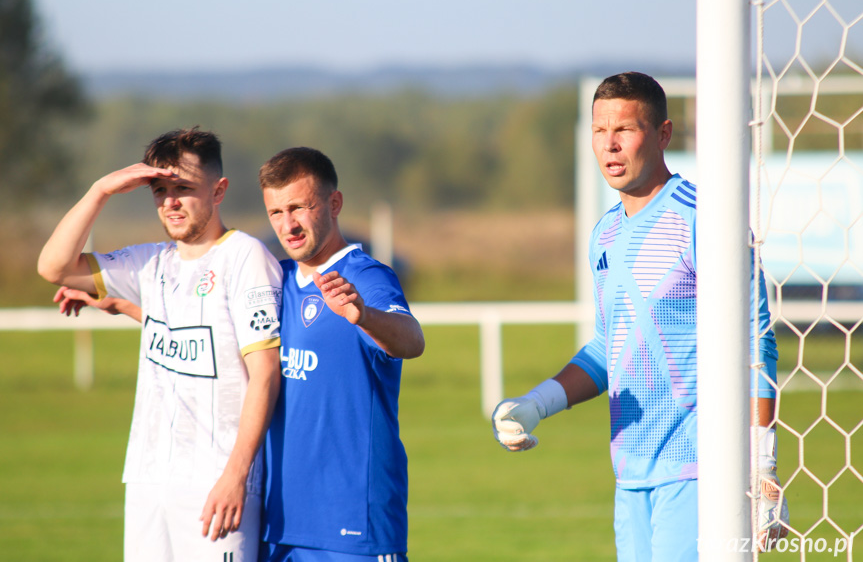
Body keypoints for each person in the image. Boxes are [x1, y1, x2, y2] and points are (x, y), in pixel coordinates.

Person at [490, 72, 789, 560]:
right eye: (599, 131)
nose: (610, 145)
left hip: (700, 471)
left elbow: (757, 340)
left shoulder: (704, 218)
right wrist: (537, 403)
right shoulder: (605, 234)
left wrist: (763, 465)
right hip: (630, 477)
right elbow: (610, 347)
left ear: (663, 134)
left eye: (625, 130)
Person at [37, 128, 283, 562]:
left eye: (184, 189)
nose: (170, 202)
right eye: (160, 191)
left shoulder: (245, 257)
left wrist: (236, 475)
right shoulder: (149, 263)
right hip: (148, 479)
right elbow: (53, 266)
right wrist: (101, 190)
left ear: (218, 189)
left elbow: (265, 374)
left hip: (215, 483)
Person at [257, 146, 425, 562]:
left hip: (353, 529)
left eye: (299, 207)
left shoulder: (365, 275)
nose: (288, 224)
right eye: (276, 212)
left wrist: (364, 316)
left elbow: (411, 340)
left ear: (335, 203)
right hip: (277, 526)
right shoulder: (273, 279)